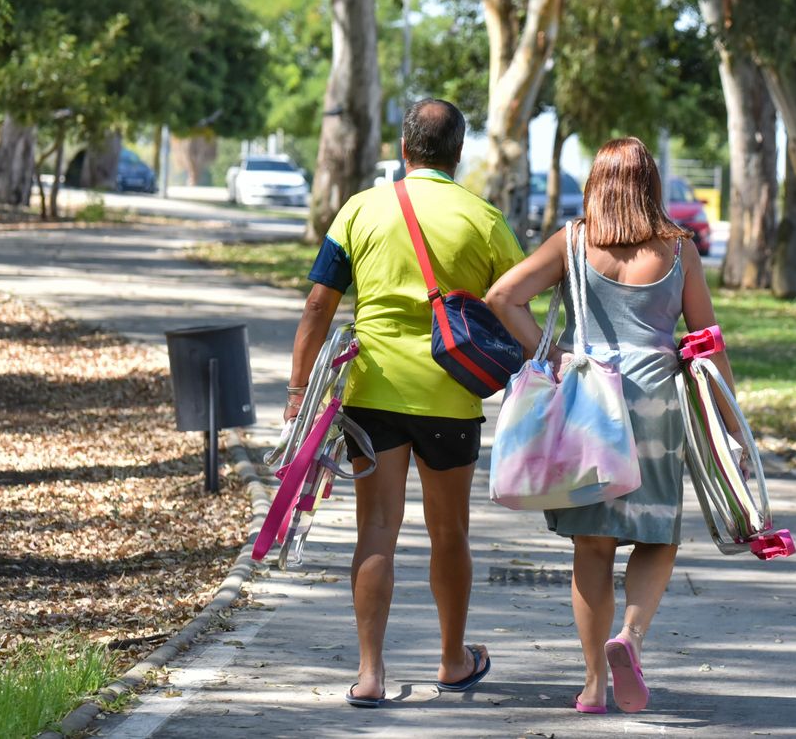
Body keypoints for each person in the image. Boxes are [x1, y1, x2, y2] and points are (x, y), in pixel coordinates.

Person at [485, 136, 736, 715]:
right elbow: (705, 341)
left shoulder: (572, 241)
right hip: (656, 408)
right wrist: (730, 422)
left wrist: (550, 356)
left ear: (597, 183)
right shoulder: (680, 250)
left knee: (591, 549)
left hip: (589, 407)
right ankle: (633, 638)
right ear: (650, 184)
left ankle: (595, 682)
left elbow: (503, 295)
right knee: (657, 537)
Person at [287, 98, 524, 708]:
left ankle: (370, 673)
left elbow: (319, 305)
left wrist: (298, 389)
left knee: (376, 531)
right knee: (450, 535)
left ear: (403, 148)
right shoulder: (484, 217)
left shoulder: (361, 209)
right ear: (459, 153)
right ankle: (452, 659)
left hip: (372, 395)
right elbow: (514, 303)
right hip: (452, 397)